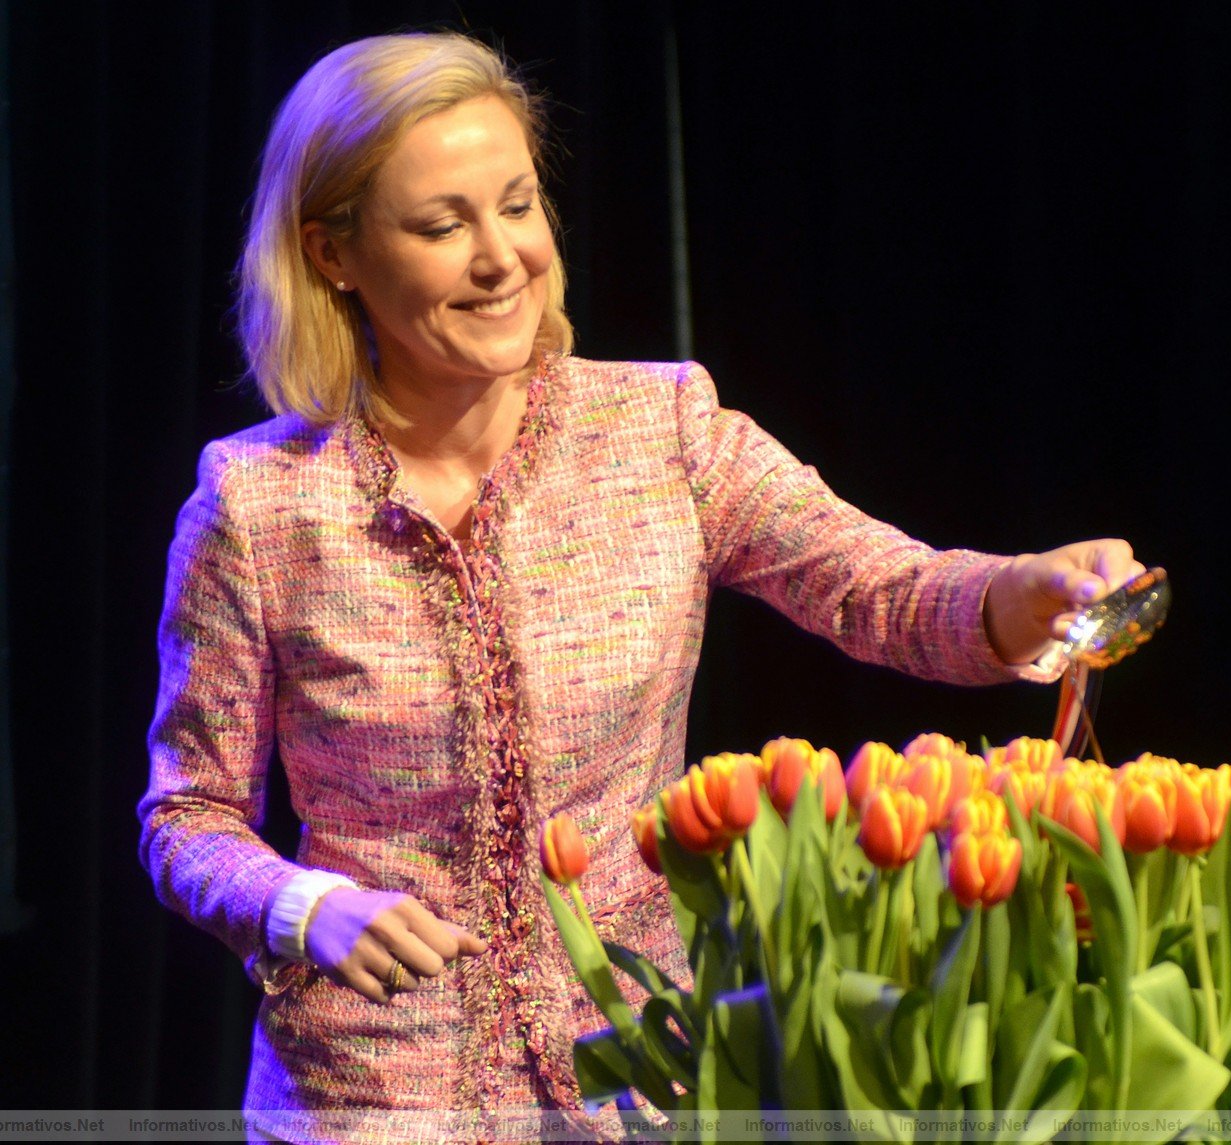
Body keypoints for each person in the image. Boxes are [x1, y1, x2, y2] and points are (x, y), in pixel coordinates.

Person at [138, 30, 1144, 1143]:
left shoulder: (660, 427)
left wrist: (1021, 592)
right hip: (368, 1103)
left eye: (517, 205)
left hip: (639, 1084)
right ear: (333, 253)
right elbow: (188, 817)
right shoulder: (258, 502)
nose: (501, 257)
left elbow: (882, 590)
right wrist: (303, 906)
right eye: (443, 225)